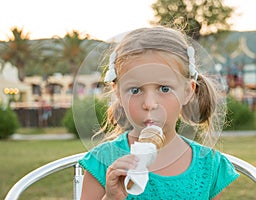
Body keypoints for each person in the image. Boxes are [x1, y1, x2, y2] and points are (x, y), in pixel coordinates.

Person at [79, 26, 239, 200]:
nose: (149, 104)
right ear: (118, 93)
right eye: (135, 90)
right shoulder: (103, 161)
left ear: (187, 92)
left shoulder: (209, 166)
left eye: (164, 89)